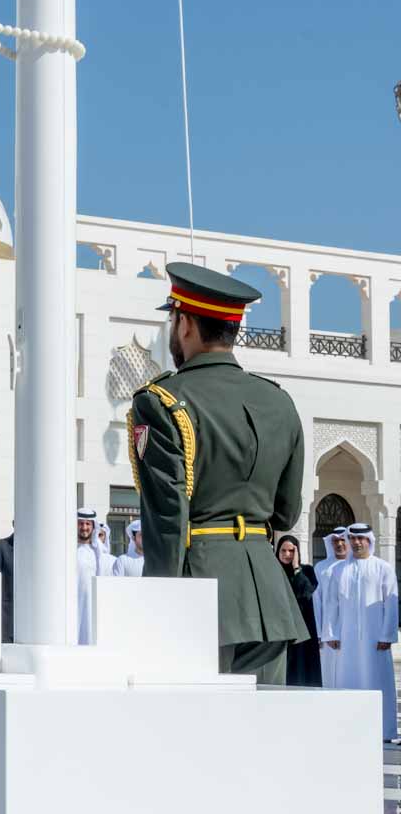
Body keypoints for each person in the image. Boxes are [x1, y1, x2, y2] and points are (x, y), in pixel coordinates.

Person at [129, 262, 306, 683]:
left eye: (173, 321)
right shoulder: (278, 401)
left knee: (196, 720)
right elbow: (285, 513)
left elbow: (168, 518)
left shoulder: (161, 401)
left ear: (186, 324)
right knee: (264, 720)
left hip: (200, 594)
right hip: (268, 599)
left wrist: (158, 605)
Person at [319, 523, 396, 740]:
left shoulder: (383, 568)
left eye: (360, 538)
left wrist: (387, 635)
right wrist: (331, 633)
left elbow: (390, 604)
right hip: (346, 640)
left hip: (375, 639)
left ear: (369, 540)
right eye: (352, 538)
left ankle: (383, 731)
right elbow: (331, 604)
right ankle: (348, 730)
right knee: (347, 682)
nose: (356, 542)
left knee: (377, 682)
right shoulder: (338, 570)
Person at [276, 534, 322, 689]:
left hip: (302, 628)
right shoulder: (273, 572)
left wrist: (296, 568)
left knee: (302, 669)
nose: (287, 554)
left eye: (291, 551)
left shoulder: (307, 571)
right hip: (280, 627)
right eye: (283, 551)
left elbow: (306, 592)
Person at [316, 527, 351, 687]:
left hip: (351, 631)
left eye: (343, 540)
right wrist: (319, 633)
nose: (339, 544)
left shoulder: (355, 566)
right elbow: (317, 602)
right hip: (327, 632)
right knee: (328, 673)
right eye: (335, 541)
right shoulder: (321, 568)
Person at [74, 509, 110, 645]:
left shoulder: (99, 552)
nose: (84, 527)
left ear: (93, 526)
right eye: (80, 523)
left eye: (88, 524)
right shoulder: (68, 549)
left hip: (92, 604)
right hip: (72, 602)